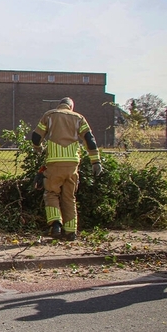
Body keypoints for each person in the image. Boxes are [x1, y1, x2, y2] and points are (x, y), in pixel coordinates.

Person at [31, 97, 103, 240]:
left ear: (60, 105)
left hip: (54, 163)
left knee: (51, 193)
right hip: (72, 165)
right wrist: (96, 162)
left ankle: (55, 224)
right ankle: (71, 232)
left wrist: (37, 148)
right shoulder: (79, 118)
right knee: (69, 197)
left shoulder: (50, 115)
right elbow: (90, 140)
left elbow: (36, 137)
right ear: (71, 107)